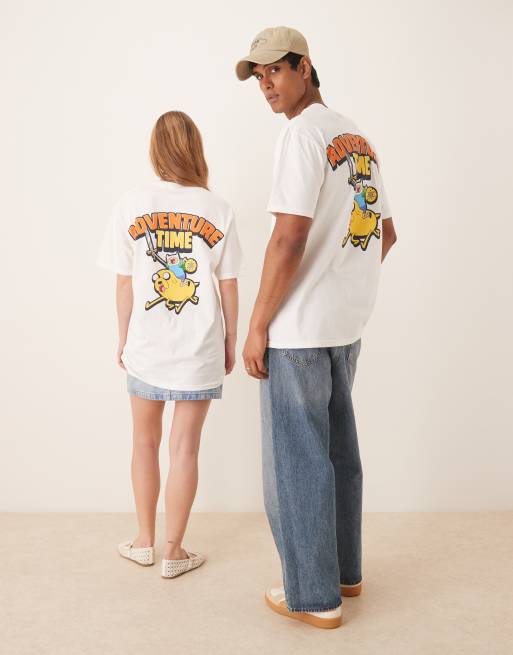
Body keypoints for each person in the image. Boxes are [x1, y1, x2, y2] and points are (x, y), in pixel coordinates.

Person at [236, 26, 397, 629]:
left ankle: (313, 596)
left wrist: (258, 324)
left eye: (275, 71)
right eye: (258, 77)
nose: (266, 86)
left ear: (305, 66)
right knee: (336, 454)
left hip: (300, 330)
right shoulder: (357, 138)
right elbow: (385, 233)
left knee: (298, 464)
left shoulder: (302, 134)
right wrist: (343, 281)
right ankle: (345, 573)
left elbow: (288, 236)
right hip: (345, 325)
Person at [96, 110, 243, 579]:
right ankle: (174, 551)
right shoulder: (217, 208)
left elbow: (124, 283)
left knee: (144, 441)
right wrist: (231, 339)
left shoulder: (131, 204)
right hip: (200, 348)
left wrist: (124, 337)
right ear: (195, 148)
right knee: (184, 449)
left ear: (155, 150)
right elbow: (228, 284)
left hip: (147, 345)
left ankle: (144, 541)